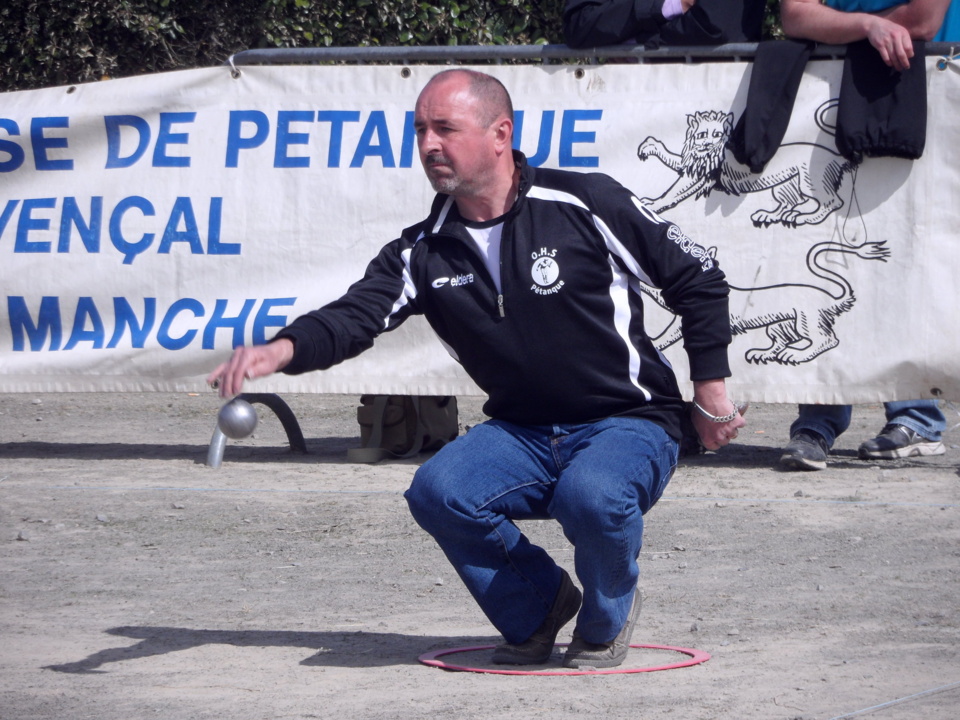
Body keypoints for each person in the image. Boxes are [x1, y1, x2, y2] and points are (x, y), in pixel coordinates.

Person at [208, 69, 745, 669]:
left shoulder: (584, 202)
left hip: (629, 420)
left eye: (445, 128)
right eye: (420, 131)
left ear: (499, 134)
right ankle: (539, 609)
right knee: (439, 491)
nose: (429, 145)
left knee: (590, 495)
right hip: (520, 430)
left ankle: (606, 616)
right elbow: (356, 316)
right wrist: (282, 349)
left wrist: (711, 394)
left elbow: (698, 281)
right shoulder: (422, 249)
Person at [775, 0, 954, 471]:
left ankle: (917, 416)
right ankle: (818, 419)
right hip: (833, 97)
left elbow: (924, 20)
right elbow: (794, 16)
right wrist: (867, 25)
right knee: (828, 258)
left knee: (910, 255)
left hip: (924, 91)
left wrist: (843, 28)